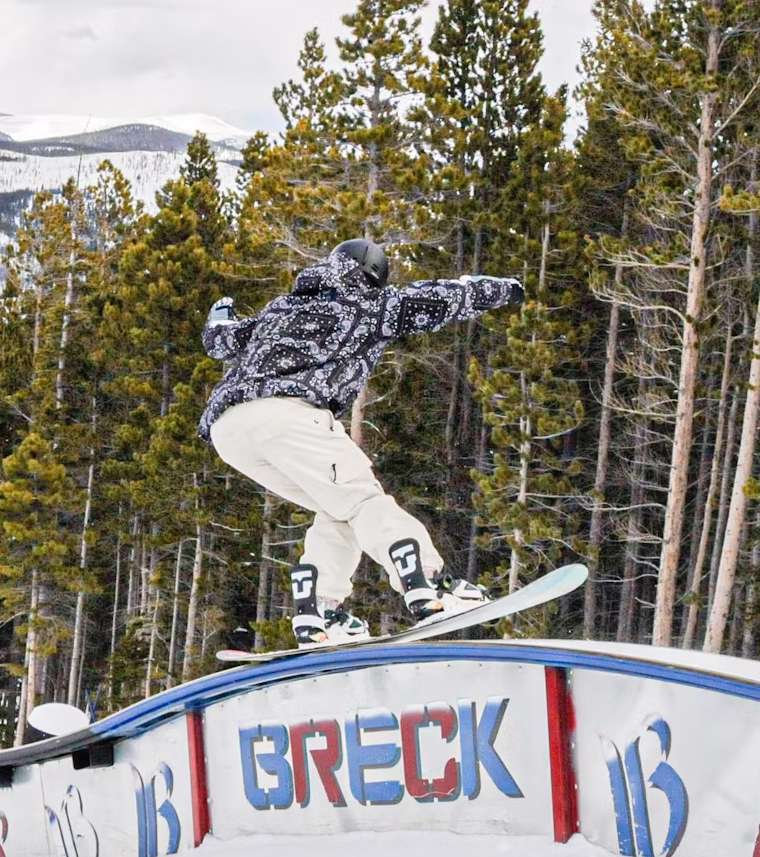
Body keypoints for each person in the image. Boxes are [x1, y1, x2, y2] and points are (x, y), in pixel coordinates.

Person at [199, 238, 525, 646]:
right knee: (362, 501)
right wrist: (498, 289)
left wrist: (219, 319)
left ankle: (320, 610)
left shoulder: (281, 308)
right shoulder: (369, 304)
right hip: (289, 414)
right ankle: (428, 583)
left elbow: (222, 341)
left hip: (228, 429)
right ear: (374, 277)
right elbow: (438, 299)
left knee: (337, 508)